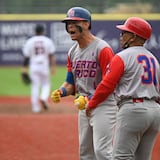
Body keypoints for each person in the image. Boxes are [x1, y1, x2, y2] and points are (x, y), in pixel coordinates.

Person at [85, 17, 160, 160]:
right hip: (155, 113)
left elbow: (107, 85)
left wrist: (92, 104)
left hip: (133, 110)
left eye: (124, 32)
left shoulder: (122, 57)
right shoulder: (153, 59)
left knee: (121, 156)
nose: (121, 36)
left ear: (133, 37)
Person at [50, 7, 117, 160]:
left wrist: (90, 98)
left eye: (74, 22)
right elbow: (70, 83)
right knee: (86, 154)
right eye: (68, 23)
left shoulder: (102, 48)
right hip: (83, 105)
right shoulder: (72, 52)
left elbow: (110, 81)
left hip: (104, 105)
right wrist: (61, 91)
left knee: (102, 151)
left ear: (86, 24)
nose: (70, 27)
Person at [21, 24, 56, 113]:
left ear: (35, 31)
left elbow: (26, 57)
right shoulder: (48, 41)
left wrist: (24, 69)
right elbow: (51, 55)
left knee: (35, 86)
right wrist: (53, 67)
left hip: (34, 66)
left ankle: (35, 108)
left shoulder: (30, 41)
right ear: (43, 31)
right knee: (46, 84)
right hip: (44, 65)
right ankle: (43, 97)